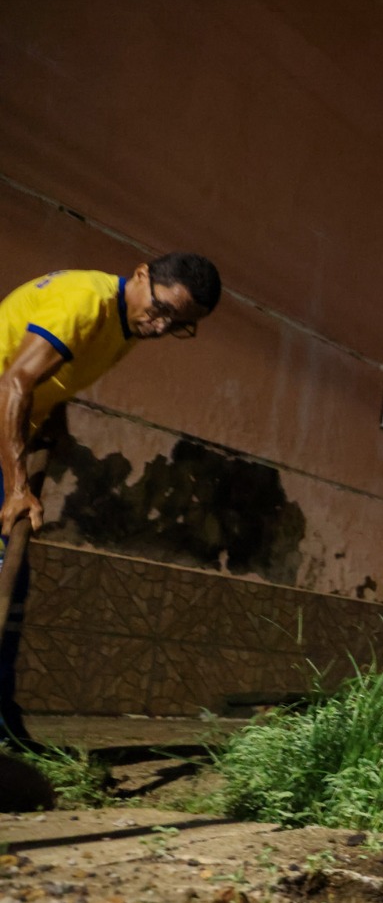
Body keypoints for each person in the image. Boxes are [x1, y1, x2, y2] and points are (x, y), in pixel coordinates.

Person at [0, 255, 222, 752]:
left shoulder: (124, 325)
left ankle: (4, 723)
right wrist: (18, 486)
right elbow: (13, 381)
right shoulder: (87, 302)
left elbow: (49, 383)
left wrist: (52, 426)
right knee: (2, 579)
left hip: (12, 433)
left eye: (179, 326)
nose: (161, 326)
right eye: (163, 310)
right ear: (142, 274)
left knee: (11, 586)